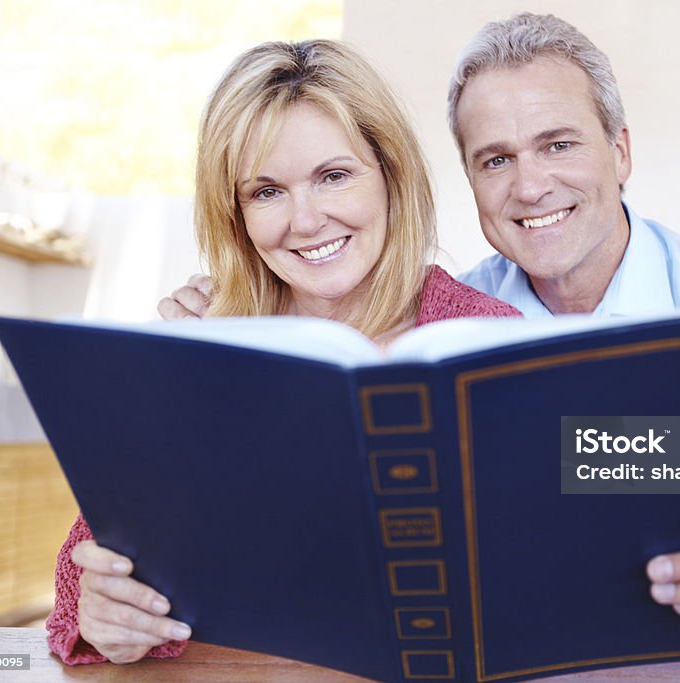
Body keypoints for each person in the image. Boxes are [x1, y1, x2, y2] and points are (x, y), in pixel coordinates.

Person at [161, 14, 680, 672]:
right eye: (495, 159)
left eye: (559, 143)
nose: (530, 185)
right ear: (468, 182)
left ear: (620, 152)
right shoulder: (452, 327)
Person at [48, 39, 519, 666]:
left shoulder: (493, 334)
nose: (304, 220)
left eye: (333, 176)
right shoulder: (201, 349)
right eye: (266, 191)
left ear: (390, 176)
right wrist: (101, 614)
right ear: (236, 214)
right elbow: (83, 581)